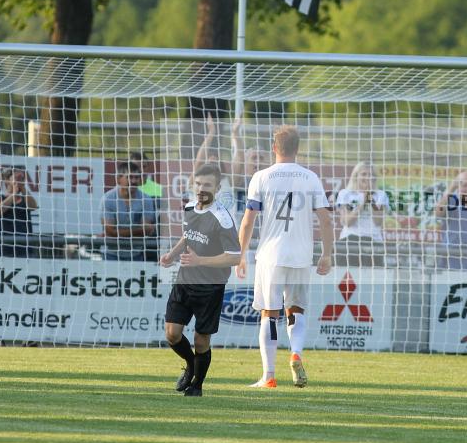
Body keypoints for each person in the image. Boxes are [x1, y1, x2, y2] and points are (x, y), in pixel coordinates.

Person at [236, 125, 334, 388]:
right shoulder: (310, 178)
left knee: (270, 313)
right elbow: (325, 219)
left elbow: (247, 222)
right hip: (301, 254)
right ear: (297, 149)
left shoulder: (261, 177)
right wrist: (326, 254)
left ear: (274, 148)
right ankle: (296, 352)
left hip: (271, 255)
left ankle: (268, 376)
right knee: (296, 310)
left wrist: (241, 255)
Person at [159, 164, 241, 397]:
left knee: (201, 340)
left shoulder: (223, 218)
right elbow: (187, 236)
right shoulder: (189, 207)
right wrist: (172, 254)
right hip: (184, 280)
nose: (201, 189)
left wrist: (199, 261)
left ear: (217, 187)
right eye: (198, 184)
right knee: (172, 334)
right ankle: (190, 365)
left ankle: (197, 385)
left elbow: (234, 258)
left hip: (210, 287)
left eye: (207, 185)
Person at [100, 161, 158, 261]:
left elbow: (147, 231)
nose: (134, 181)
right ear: (118, 179)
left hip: (136, 254)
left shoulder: (146, 199)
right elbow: (109, 232)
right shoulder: (108, 199)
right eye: (130, 177)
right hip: (111, 254)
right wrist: (138, 230)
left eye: (137, 177)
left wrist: (119, 233)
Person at [336, 161, 390, 267]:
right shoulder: (346, 194)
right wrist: (362, 203)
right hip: (350, 241)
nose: (367, 177)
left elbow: (378, 222)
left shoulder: (381, 195)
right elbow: (347, 222)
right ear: (356, 176)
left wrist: (370, 196)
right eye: (364, 174)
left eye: (370, 175)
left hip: (373, 241)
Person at [0, 167, 37, 258]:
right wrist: (13, 194)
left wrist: (22, 188)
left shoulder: (25, 199)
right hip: (3, 248)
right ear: (7, 180)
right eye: (16, 178)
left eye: (22, 178)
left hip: (24, 248)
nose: (19, 181)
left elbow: (33, 206)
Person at [130, 151, 163, 261]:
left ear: (148, 168)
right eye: (136, 166)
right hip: (130, 242)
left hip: (153, 243)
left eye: (143, 166)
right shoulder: (124, 190)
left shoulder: (160, 190)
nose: (141, 170)